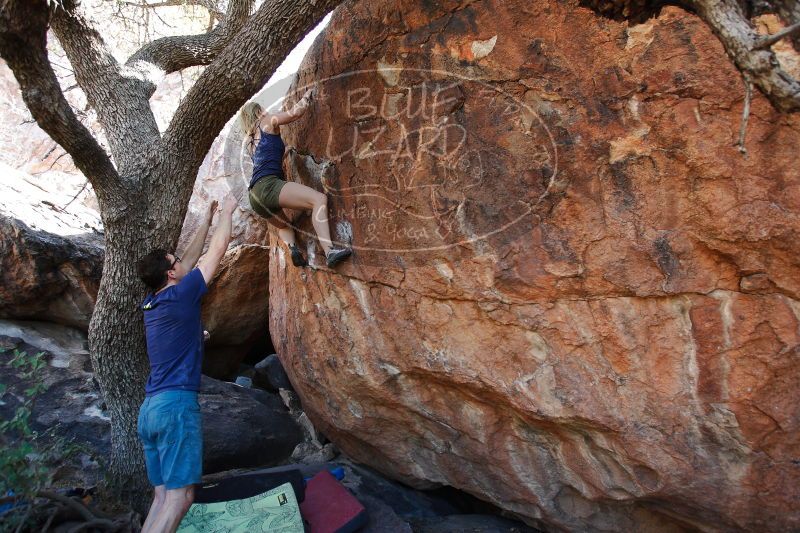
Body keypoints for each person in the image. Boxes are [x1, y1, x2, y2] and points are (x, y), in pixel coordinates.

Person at [134, 195, 236, 533]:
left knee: (162, 498)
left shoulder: (154, 302)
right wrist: (227, 212)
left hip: (150, 410)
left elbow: (186, 261)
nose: (182, 262)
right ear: (171, 272)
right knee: (181, 498)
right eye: (176, 262)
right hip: (176, 407)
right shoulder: (182, 294)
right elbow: (216, 250)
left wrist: (205, 219)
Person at [239, 88, 352, 268]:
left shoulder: (251, 143)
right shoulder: (267, 121)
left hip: (255, 197)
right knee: (319, 199)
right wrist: (307, 96)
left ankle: (293, 249)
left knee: (283, 225)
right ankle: (330, 251)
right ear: (259, 112)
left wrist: (285, 152)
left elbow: (267, 159)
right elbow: (295, 113)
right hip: (269, 186)